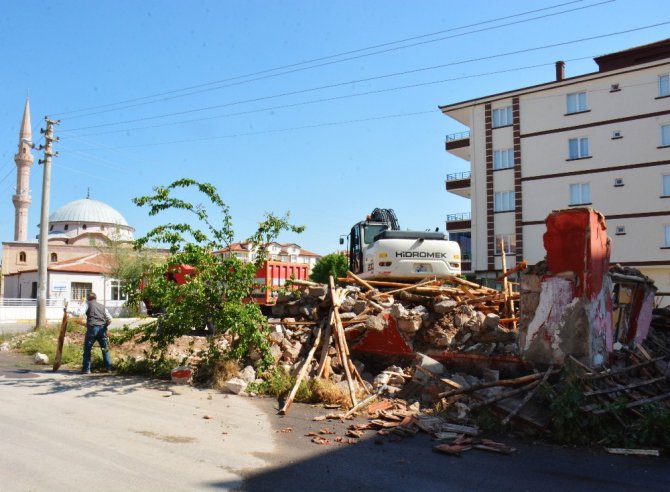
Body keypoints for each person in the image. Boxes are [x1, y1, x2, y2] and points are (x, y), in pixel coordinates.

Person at [69, 292, 113, 374]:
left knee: (87, 349)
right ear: (95, 298)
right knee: (105, 349)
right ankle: (109, 368)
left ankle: (87, 369)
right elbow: (110, 318)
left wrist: (68, 310)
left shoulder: (87, 304)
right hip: (102, 330)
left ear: (88, 298)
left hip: (92, 329)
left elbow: (79, 313)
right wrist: (105, 325)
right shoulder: (102, 306)